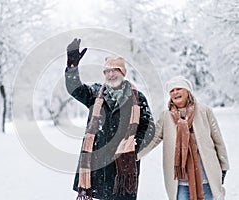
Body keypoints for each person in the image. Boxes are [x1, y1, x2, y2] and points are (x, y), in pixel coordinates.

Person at [65, 38, 155, 200]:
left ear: (123, 73)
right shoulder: (94, 93)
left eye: (115, 70)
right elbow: (75, 88)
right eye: (107, 71)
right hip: (97, 165)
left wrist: (134, 146)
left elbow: (149, 127)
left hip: (123, 167)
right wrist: (72, 68)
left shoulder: (137, 98)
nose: (111, 74)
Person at [138, 76, 230, 200]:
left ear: (188, 91)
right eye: (172, 90)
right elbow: (153, 139)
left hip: (206, 177)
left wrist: (224, 166)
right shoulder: (166, 116)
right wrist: (134, 155)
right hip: (180, 181)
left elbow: (217, 140)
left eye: (179, 89)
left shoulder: (204, 111)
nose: (175, 92)